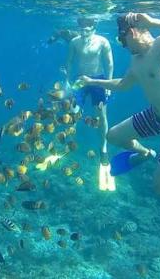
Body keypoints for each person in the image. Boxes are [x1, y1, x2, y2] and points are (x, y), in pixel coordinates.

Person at [77, 13, 160, 196]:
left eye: (122, 40)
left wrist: (155, 22)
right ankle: (145, 153)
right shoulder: (136, 60)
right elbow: (123, 85)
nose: (123, 45)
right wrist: (92, 81)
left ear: (131, 32)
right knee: (113, 136)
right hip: (155, 117)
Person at [65, 17, 114, 191]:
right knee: (71, 111)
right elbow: (69, 62)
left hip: (98, 80)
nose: (85, 33)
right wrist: (66, 82)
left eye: (88, 30)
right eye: (82, 30)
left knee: (101, 115)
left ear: (94, 28)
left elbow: (109, 63)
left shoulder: (103, 41)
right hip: (80, 80)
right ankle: (68, 144)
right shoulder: (74, 42)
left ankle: (103, 149)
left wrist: (108, 84)